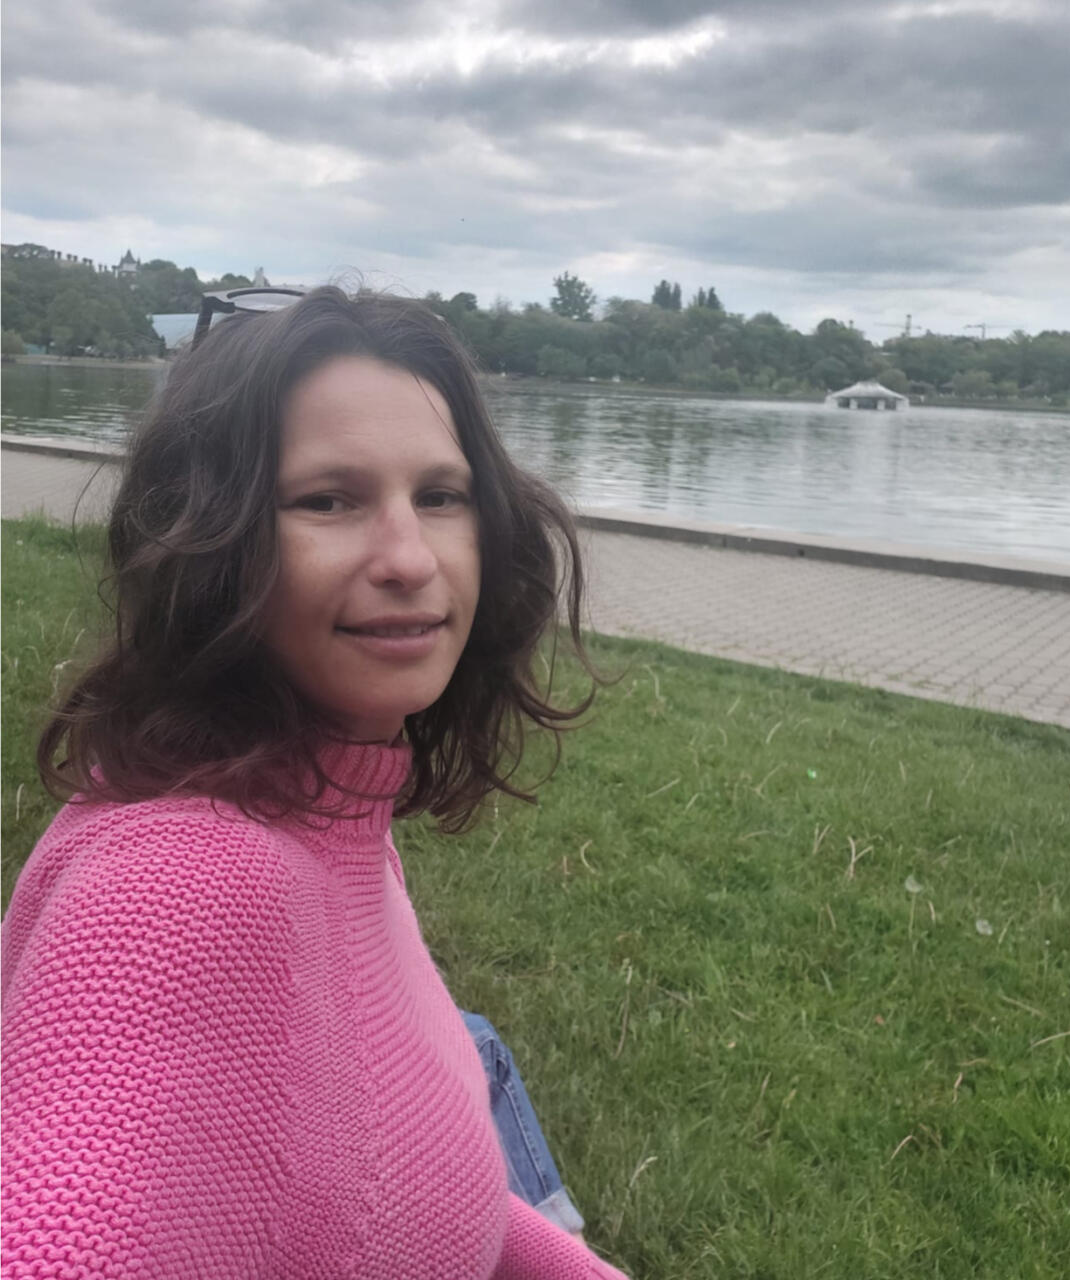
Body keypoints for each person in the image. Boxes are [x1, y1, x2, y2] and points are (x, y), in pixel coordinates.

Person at [1, 287, 627, 1278]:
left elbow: (425, 1179)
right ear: (212, 540)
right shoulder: (181, 891)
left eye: (441, 495)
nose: (410, 558)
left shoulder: (318, 802)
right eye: (329, 500)